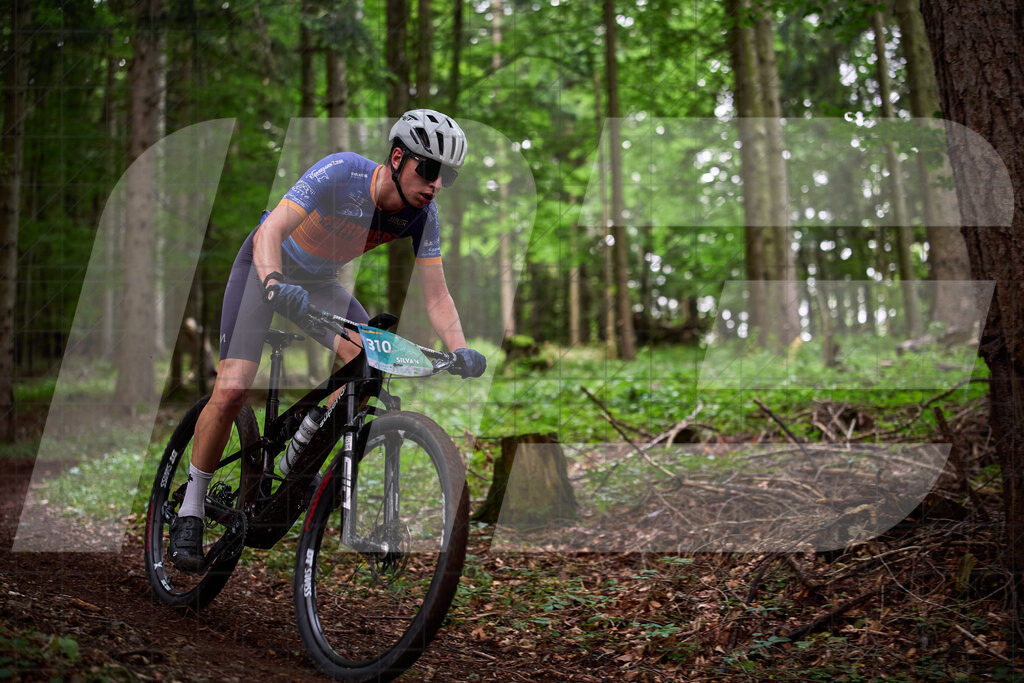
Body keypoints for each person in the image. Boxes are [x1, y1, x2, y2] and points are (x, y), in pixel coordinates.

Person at [169, 109, 487, 571]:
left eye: (448, 176)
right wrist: (275, 282)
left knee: (367, 362)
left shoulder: (422, 216)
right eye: (430, 169)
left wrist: (460, 349)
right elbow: (272, 230)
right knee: (234, 386)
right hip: (263, 268)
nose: (437, 183)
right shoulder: (343, 172)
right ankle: (191, 508)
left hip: (318, 283)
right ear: (398, 158)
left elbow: (437, 295)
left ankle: (297, 457)